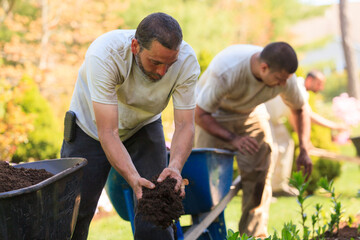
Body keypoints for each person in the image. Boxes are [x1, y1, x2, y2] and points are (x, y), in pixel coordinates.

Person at [61, 12, 200, 240]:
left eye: (169, 64)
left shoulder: (186, 61)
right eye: (155, 62)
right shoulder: (105, 54)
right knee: (74, 213)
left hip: (143, 125)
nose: (162, 72)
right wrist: (133, 177)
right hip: (91, 130)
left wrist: (174, 166)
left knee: (156, 208)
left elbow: (185, 125)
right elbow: (108, 131)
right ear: (136, 46)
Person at [194, 42, 312, 238]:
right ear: (263, 68)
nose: (284, 85)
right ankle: (207, 233)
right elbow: (200, 115)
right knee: (206, 181)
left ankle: (253, 234)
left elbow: (299, 109)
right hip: (212, 115)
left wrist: (305, 149)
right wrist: (234, 139)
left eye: (286, 79)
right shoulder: (228, 70)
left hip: (250, 113)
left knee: (259, 176)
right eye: (279, 79)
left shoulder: (285, 77)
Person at [265, 70, 348, 196]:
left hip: (275, 120)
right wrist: (334, 125)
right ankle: (264, 190)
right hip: (265, 116)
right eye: (319, 83)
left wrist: (304, 142)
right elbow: (305, 116)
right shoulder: (299, 89)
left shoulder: (300, 90)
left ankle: (278, 187)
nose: (321, 88)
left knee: (287, 143)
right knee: (271, 151)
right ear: (309, 80)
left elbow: (297, 117)